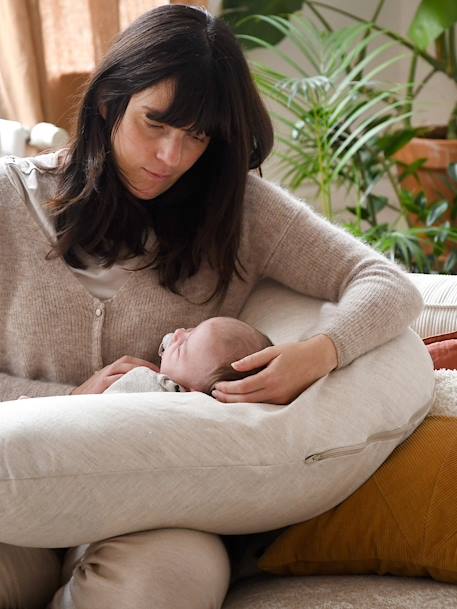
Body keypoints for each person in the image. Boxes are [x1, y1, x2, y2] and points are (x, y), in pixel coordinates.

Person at [0, 4, 423, 609]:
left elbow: (386, 283)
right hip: (15, 491)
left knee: (167, 585)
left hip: (156, 499)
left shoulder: (241, 211)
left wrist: (317, 354)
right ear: (107, 102)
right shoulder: (6, 202)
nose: (171, 157)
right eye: (156, 123)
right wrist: (68, 400)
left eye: (196, 136)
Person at [105, 316, 273, 395]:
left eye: (181, 348)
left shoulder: (155, 387)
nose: (178, 333)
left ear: (191, 392)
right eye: (190, 330)